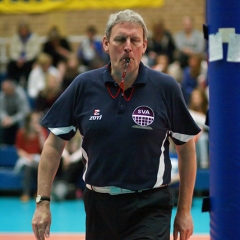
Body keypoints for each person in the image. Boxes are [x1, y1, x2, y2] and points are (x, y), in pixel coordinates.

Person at [32, 9, 201, 240]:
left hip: (149, 205)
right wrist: (43, 203)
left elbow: (187, 149)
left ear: (145, 46)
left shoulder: (165, 87)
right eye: (120, 39)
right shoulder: (83, 86)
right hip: (99, 207)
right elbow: (53, 146)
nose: (127, 46)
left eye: (135, 40)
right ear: (106, 43)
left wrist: (184, 211)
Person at [14, 111, 48, 202]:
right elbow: (19, 149)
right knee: (28, 167)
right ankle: (26, 193)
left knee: (40, 167)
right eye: (33, 121)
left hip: (37, 159)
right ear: (28, 122)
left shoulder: (42, 131)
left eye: (37, 121)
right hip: (25, 159)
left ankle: (38, 193)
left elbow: (44, 148)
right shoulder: (21, 132)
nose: (35, 123)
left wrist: (40, 133)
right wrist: (27, 156)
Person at [0, 79, 30, 145]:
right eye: (4, 90)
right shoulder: (2, 95)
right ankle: (3, 147)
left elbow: (25, 111)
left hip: (19, 120)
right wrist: (5, 118)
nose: (5, 91)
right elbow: (1, 110)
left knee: (23, 123)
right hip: (7, 120)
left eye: (7, 89)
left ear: (12, 88)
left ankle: (19, 146)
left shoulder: (20, 94)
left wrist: (12, 119)